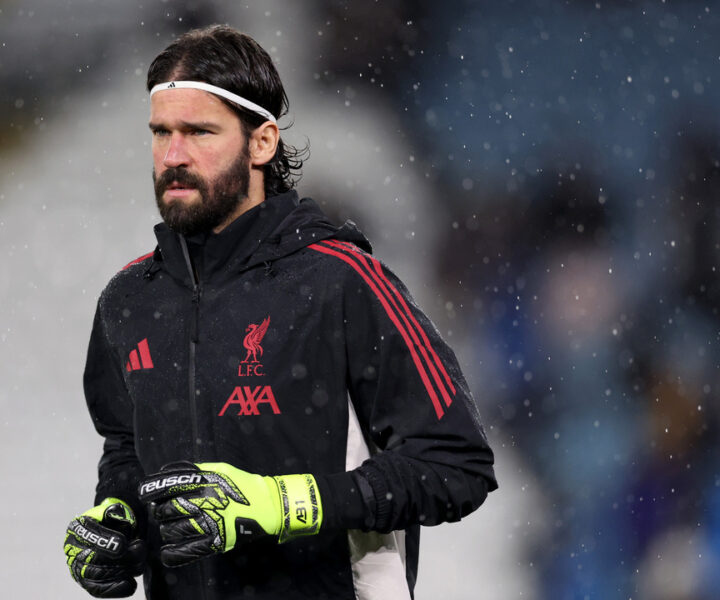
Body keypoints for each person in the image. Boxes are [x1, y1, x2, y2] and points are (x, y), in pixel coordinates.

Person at [63, 24, 497, 600]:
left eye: (198, 132)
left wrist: (281, 503)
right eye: (160, 132)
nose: (172, 155)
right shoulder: (129, 300)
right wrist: (118, 524)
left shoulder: (341, 281)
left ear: (262, 143)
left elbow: (456, 465)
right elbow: (126, 452)